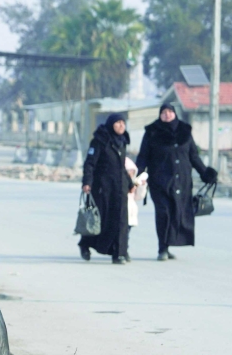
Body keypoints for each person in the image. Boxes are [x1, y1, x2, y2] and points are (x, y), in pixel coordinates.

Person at [135, 103, 217, 260]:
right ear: (160, 115)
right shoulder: (152, 132)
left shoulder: (185, 131)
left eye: (170, 112)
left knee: (177, 213)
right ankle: (162, 248)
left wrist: (205, 173)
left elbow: (193, 156)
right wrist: (135, 176)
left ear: (175, 114)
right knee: (163, 213)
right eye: (164, 112)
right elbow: (143, 156)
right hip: (160, 181)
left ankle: (168, 244)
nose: (167, 114)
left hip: (182, 181)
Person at [80, 114, 132, 264]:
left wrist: (130, 183)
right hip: (103, 187)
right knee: (100, 220)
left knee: (121, 220)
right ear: (111, 124)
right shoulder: (99, 141)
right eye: (118, 123)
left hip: (120, 188)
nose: (121, 126)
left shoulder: (122, 142)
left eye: (123, 123)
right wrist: (87, 182)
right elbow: (90, 163)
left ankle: (120, 252)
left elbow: (121, 166)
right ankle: (85, 244)